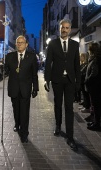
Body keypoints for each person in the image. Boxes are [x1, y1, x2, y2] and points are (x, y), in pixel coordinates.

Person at [44, 19, 81, 151]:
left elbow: (77, 65)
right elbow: (48, 63)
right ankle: (58, 126)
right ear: (59, 29)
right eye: (62, 28)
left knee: (69, 108)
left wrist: (78, 82)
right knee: (58, 105)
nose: (64, 30)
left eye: (66, 28)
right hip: (57, 80)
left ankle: (70, 137)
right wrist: (46, 80)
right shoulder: (53, 44)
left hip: (70, 80)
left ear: (69, 29)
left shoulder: (75, 45)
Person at [5, 35, 39, 143]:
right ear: (15, 44)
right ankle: (17, 124)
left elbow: (34, 74)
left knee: (24, 112)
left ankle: (24, 133)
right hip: (14, 88)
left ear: (26, 44)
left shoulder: (32, 57)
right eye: (18, 43)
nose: (19, 44)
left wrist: (35, 88)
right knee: (16, 110)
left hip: (25, 89)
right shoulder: (9, 56)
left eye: (22, 42)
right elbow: (6, 71)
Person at [85, 43, 101, 131]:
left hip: (95, 87)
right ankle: (95, 121)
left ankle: (97, 123)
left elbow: (94, 73)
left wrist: (87, 80)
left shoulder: (96, 60)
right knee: (94, 105)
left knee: (96, 105)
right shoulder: (94, 59)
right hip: (94, 86)